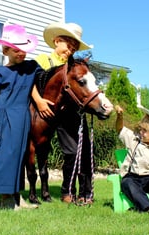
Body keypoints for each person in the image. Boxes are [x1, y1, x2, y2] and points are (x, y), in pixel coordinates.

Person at [0, 24, 50, 210]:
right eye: (16, 50)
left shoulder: (31, 67)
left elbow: (36, 83)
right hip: (4, 117)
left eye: (24, 50)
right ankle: (6, 199)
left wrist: (39, 101)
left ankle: (17, 197)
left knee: (18, 157)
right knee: (6, 157)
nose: (21, 53)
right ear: (5, 50)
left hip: (22, 117)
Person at [32, 22, 95, 205]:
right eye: (68, 46)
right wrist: (39, 101)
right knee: (69, 151)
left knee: (80, 151)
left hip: (69, 113)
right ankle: (67, 191)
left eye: (74, 48)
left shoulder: (74, 65)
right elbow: (29, 84)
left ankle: (85, 192)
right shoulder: (43, 60)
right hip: (45, 113)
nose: (70, 50)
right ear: (57, 41)